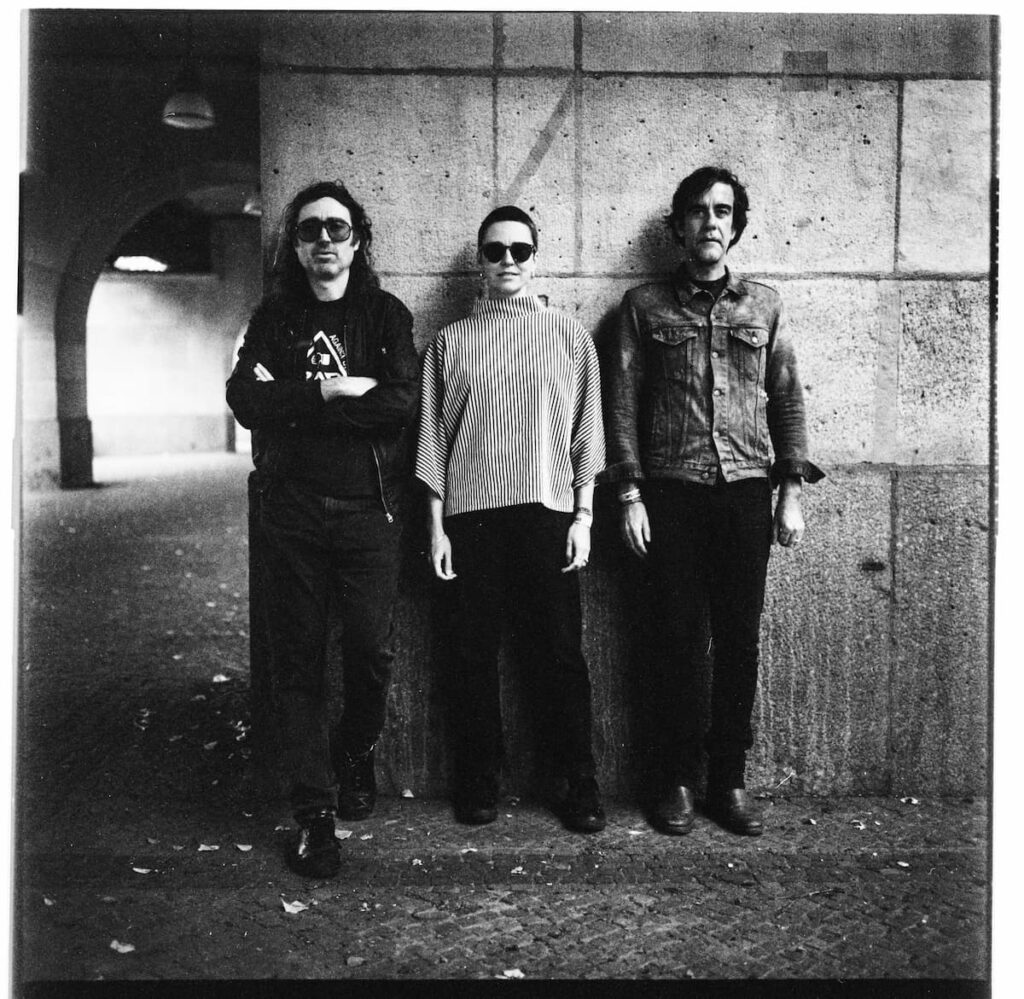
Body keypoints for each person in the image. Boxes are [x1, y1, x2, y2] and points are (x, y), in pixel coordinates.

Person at [603, 166, 824, 837]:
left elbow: (786, 397)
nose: (710, 222)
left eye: (722, 211)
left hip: (746, 493)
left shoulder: (764, 306)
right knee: (671, 640)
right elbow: (621, 405)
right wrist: (630, 494)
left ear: (736, 226)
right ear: (678, 226)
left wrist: (790, 492)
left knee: (738, 643)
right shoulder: (643, 307)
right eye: (697, 211)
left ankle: (727, 780)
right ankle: (672, 780)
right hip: (670, 492)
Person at [226, 180, 419, 877]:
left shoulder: (385, 315)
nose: (325, 241)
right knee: (297, 663)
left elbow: (400, 404)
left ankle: (355, 753)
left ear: (357, 240)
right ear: (297, 246)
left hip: (371, 512)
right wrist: (330, 389)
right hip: (293, 515)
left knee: (371, 650)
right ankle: (314, 813)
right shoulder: (276, 317)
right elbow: (245, 399)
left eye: (338, 228)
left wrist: (296, 405)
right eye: (310, 230)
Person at [415, 206, 607, 833]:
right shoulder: (449, 342)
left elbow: (587, 434)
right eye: (494, 250)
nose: (507, 261)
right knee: (470, 655)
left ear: (534, 258)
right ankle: (478, 778)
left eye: (519, 251)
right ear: (479, 260)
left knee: (559, 654)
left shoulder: (570, 336)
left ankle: (575, 779)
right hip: (470, 518)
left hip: (547, 511)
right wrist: (436, 528)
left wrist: (583, 515)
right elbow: (432, 440)